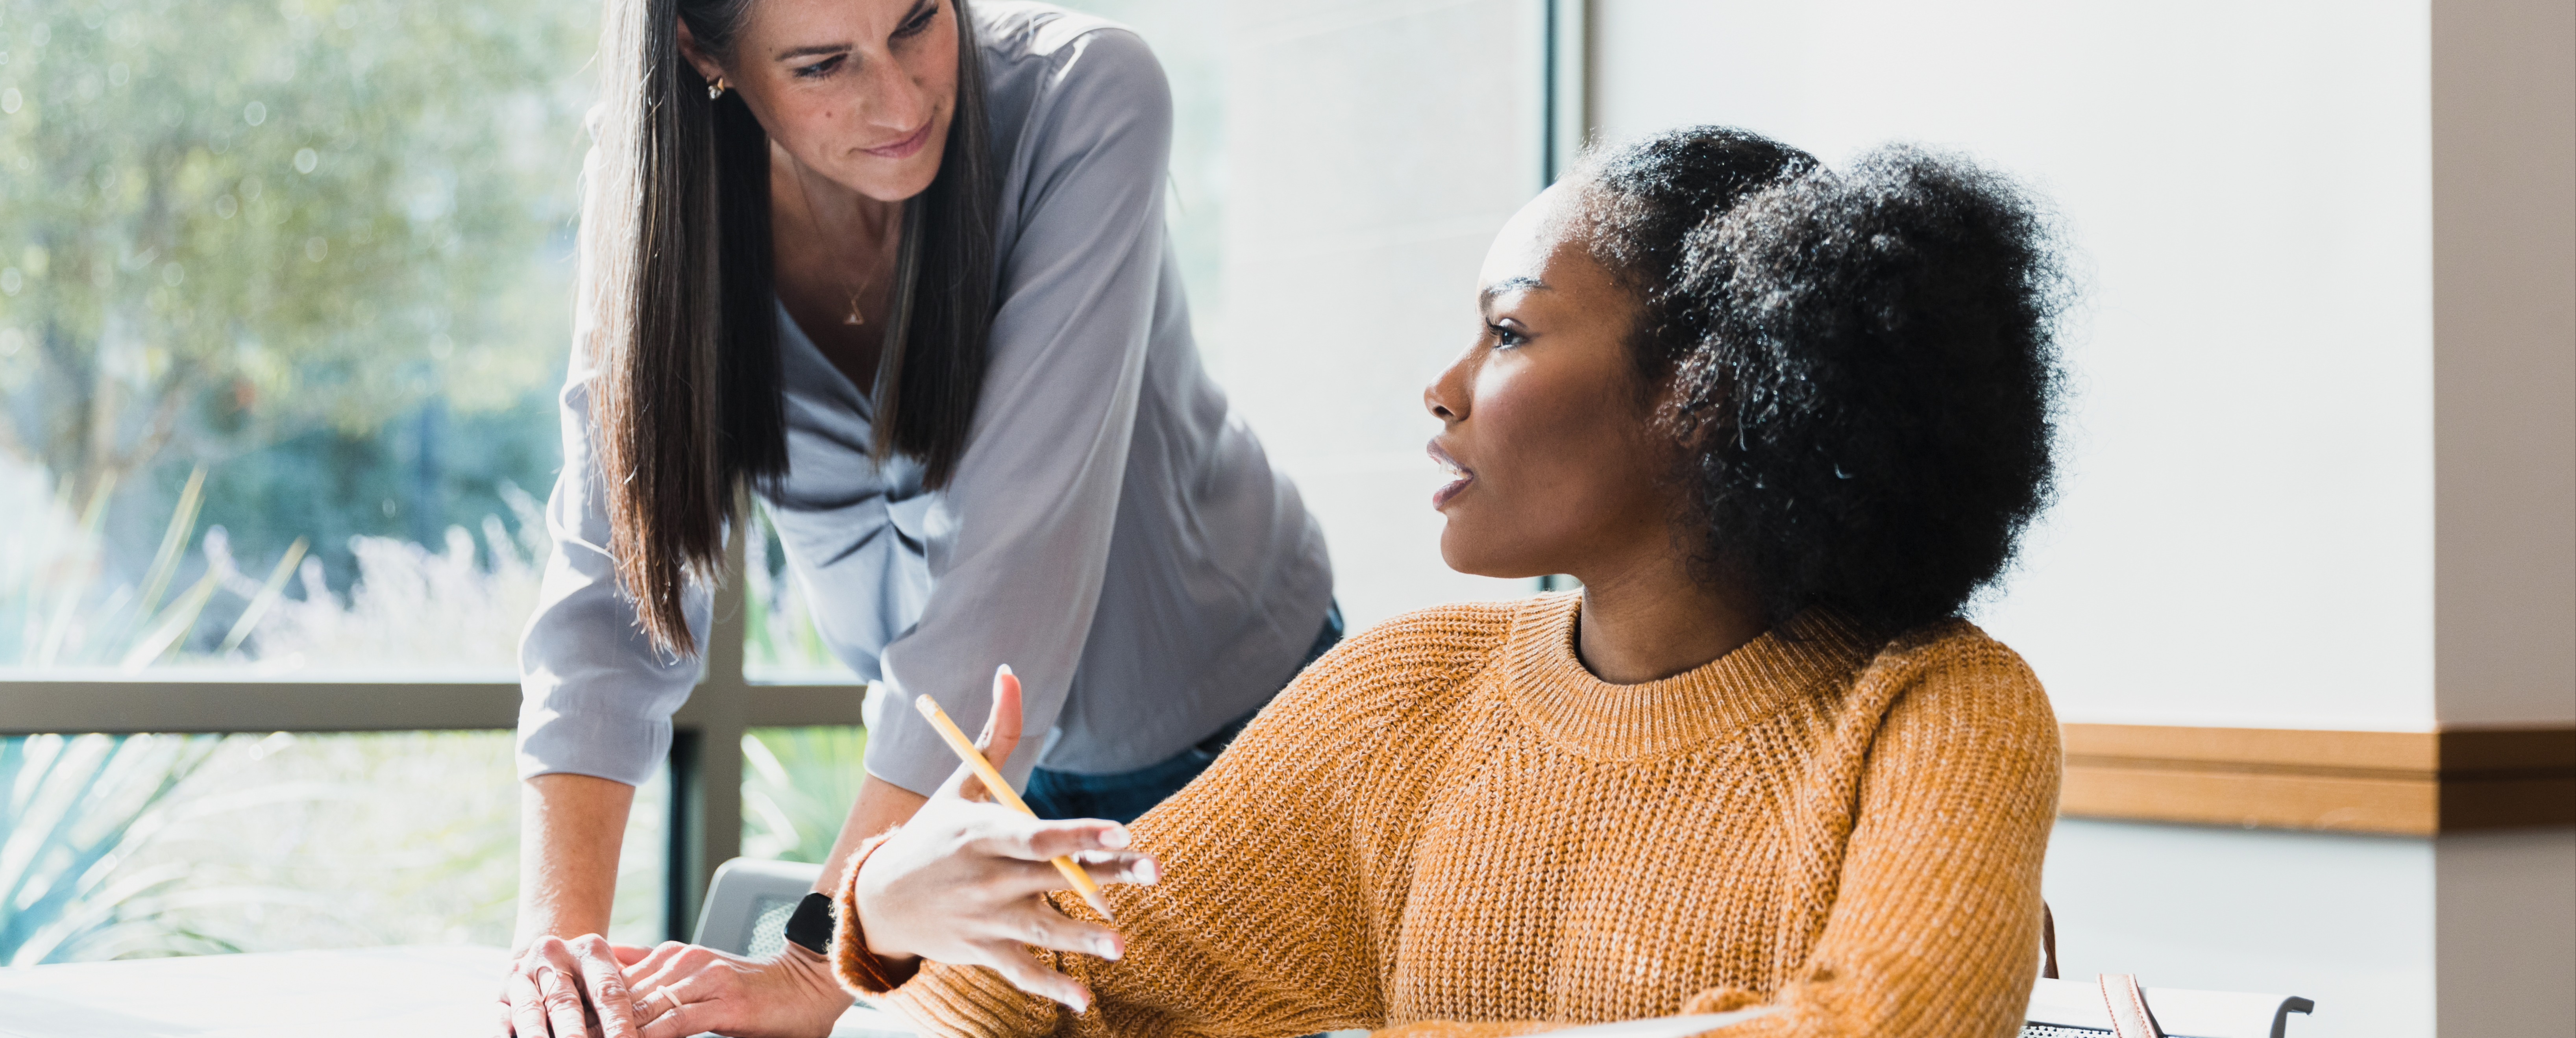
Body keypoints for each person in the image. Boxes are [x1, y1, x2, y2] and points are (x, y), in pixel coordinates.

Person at [671, 126, 2069, 1037]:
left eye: (1510, 333)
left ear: (1703, 397)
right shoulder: (1406, 700)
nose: (1444, 390)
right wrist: (883, 913)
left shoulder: (1936, 708)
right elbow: (1024, 1000)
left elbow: (1883, 1027)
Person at [497, 0, 1335, 1034]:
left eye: (918, 20)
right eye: (823, 65)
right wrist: (560, 954)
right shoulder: (660, 179)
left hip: (1225, 748)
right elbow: (615, 583)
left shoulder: (1086, 97)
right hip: (933, 806)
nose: (899, 100)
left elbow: (1012, 571)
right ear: (706, 55)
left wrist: (818, 958)